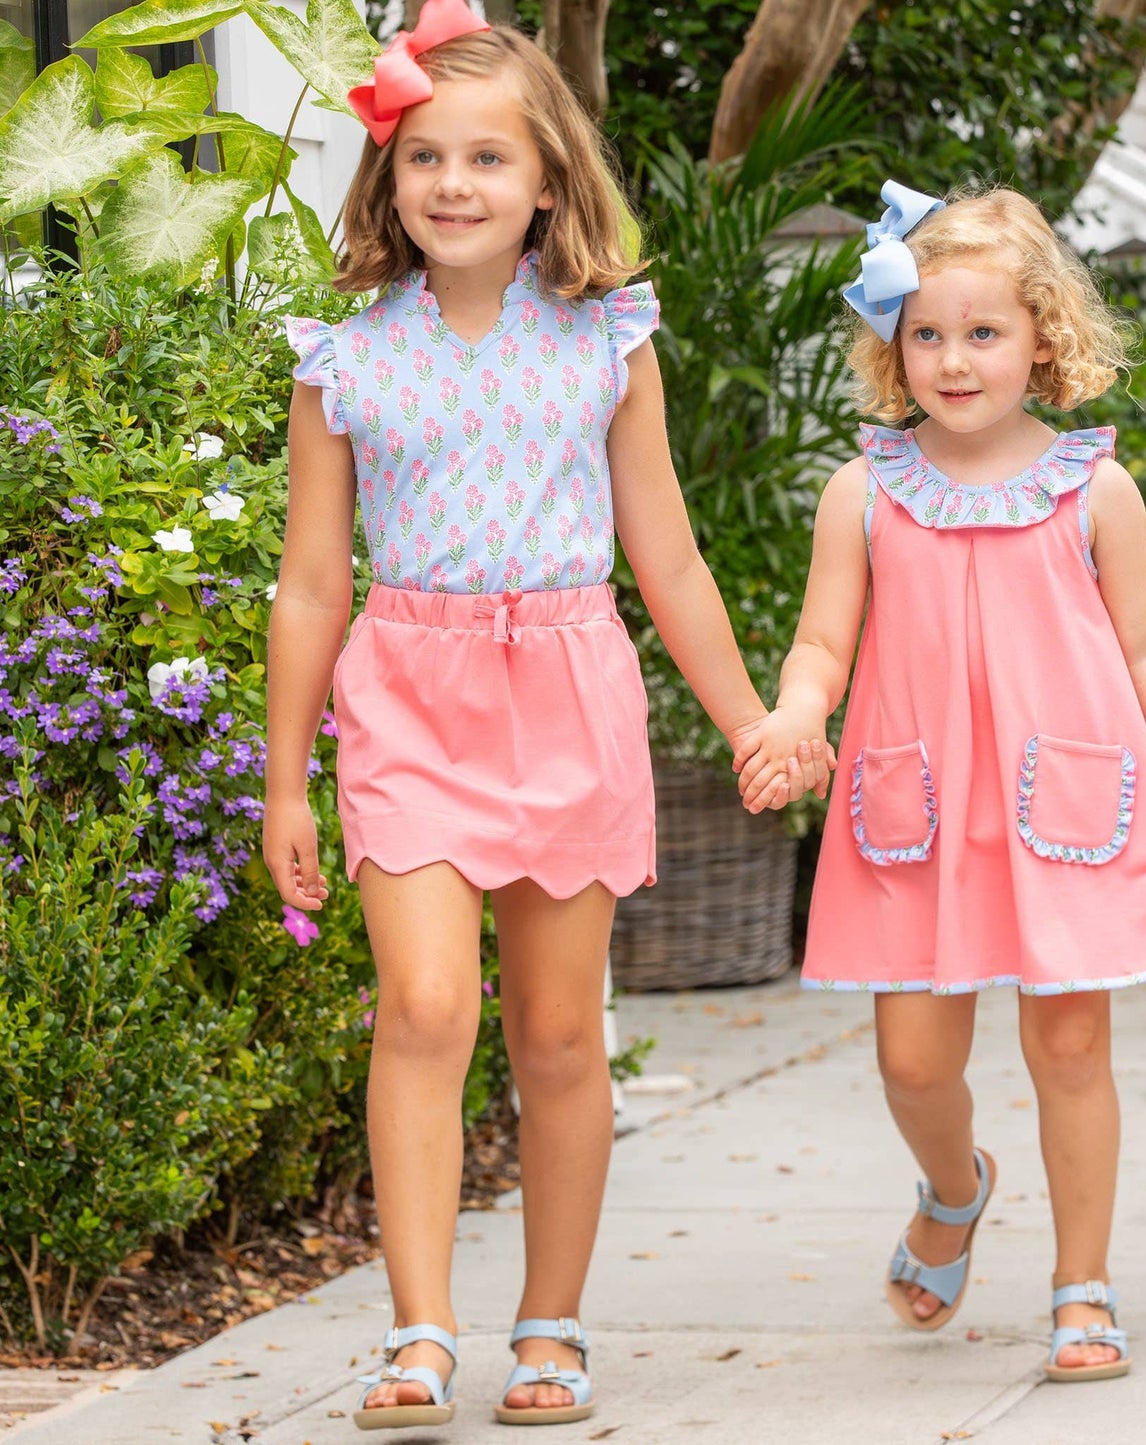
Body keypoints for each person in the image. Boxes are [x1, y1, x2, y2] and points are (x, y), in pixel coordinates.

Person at [263, 2, 818, 1429]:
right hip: (411, 696)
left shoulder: (606, 340)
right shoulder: (342, 362)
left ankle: (550, 1324)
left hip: (568, 691)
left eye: (487, 158)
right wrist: (281, 784)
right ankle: (420, 1329)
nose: (452, 184)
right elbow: (313, 588)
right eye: (424, 157)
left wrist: (751, 718)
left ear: (547, 181)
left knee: (562, 1034)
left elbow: (668, 556)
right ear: (387, 177)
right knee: (424, 1003)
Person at [739, 182, 1146, 1382]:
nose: (954, 360)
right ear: (892, 346)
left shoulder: (1092, 489)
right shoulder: (863, 492)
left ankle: (1082, 1284)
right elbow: (821, 643)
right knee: (913, 1063)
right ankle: (954, 1188)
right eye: (926, 333)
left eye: (982, 332)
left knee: (1068, 1048)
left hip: (1063, 808)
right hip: (916, 811)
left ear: (1043, 339)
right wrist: (796, 713)